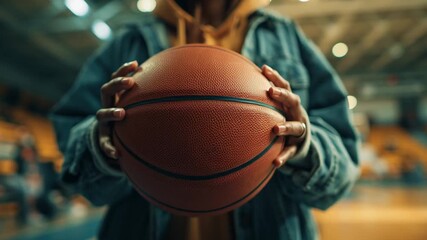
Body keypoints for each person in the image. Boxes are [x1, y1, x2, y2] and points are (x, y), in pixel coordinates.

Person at [50, 0, 360, 239]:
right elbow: (79, 172)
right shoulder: (129, 41)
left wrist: (304, 146)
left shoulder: (285, 37)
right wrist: (100, 145)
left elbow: (341, 173)